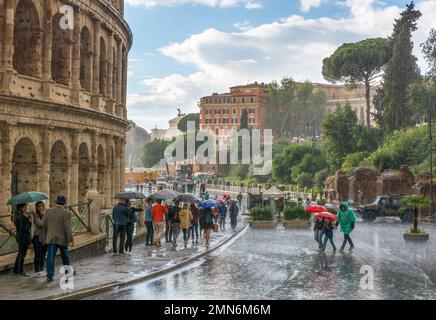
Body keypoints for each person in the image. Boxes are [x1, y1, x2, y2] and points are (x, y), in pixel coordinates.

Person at [43, 195, 74, 282]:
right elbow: (68, 228)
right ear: (64, 203)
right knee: (65, 257)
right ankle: (67, 273)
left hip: (51, 237)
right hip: (62, 238)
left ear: (56, 202)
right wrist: (70, 240)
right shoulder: (67, 213)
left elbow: (43, 225)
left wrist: (46, 236)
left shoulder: (48, 211)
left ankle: (50, 275)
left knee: (50, 257)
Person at [13, 203, 32, 276]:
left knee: (20, 253)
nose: (26, 208)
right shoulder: (23, 218)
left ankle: (16, 269)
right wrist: (29, 220)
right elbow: (26, 228)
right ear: (21, 208)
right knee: (22, 254)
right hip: (23, 237)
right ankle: (20, 270)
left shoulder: (17, 217)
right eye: (25, 207)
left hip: (19, 236)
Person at [31, 201, 47, 277]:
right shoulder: (35, 215)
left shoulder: (45, 214)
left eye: (42, 206)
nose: (40, 208)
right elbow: (40, 224)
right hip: (37, 237)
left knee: (43, 254)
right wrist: (43, 216)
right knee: (38, 254)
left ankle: (41, 269)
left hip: (44, 237)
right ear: (36, 207)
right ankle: (37, 271)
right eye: (39, 206)